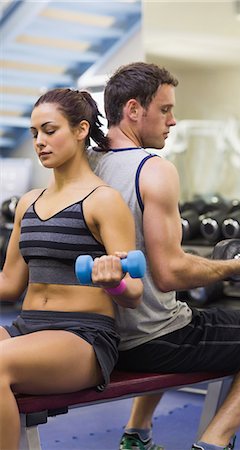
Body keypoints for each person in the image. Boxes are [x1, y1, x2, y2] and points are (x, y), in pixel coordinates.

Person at [87, 62, 240, 450]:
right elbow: (170, 273)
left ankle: (137, 433)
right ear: (133, 110)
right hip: (149, 342)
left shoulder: (85, 164)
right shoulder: (154, 170)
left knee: (174, 307)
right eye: (165, 110)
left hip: (95, 340)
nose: (173, 120)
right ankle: (213, 443)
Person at [0, 87, 143, 450]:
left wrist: (113, 283)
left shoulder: (103, 201)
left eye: (50, 130)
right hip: (26, 328)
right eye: (34, 134)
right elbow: (9, 284)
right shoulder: (28, 203)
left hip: (83, 337)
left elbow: (134, 294)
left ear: (80, 130)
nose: (39, 142)